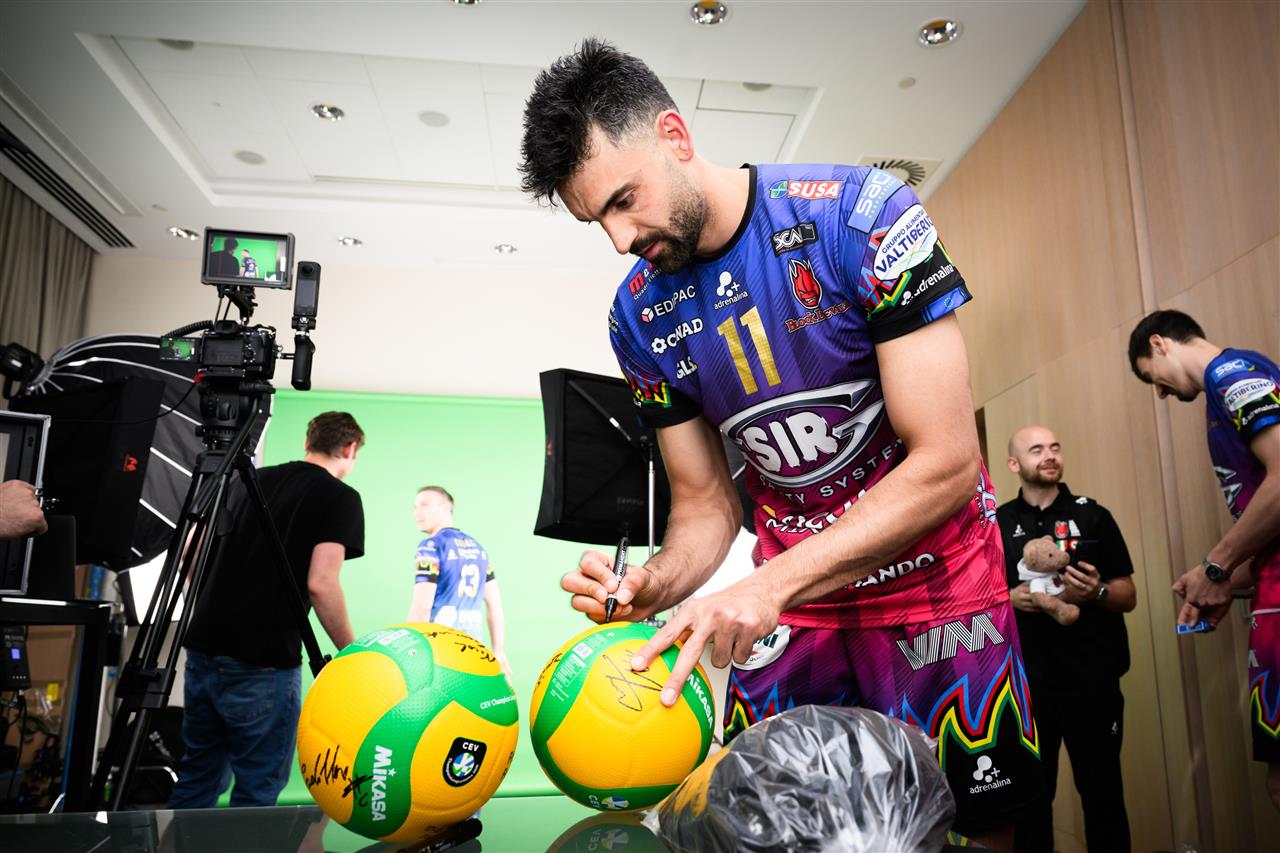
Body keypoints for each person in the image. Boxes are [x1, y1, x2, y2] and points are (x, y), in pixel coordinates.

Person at [519, 39, 1038, 848]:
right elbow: (705, 503)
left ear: (675, 136)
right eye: (598, 222)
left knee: (972, 835)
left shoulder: (862, 216)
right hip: (797, 617)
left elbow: (946, 463)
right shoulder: (638, 317)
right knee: (764, 834)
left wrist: (766, 586)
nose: (619, 239)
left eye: (624, 200)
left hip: (941, 598)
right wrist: (657, 579)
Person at [168, 411, 366, 809]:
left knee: (197, 778)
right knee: (256, 792)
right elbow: (321, 584)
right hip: (263, 661)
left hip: (204, 650)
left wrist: (211, 599)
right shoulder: (340, 497)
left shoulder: (247, 479)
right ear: (349, 449)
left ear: (308, 442)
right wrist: (352, 653)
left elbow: (189, 551)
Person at [1129, 309, 1280, 810]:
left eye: (1151, 377)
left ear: (1160, 343)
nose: (1159, 392)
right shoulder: (1223, 388)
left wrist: (1216, 565)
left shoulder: (1231, 374)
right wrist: (1217, 581)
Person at [998, 425, 1137, 852]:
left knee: (1103, 798)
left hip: (1092, 683)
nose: (1050, 455)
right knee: (1032, 807)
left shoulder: (1093, 516)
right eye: (1036, 449)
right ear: (1014, 464)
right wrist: (1009, 599)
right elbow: (978, 600)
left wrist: (1095, 593)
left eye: (1055, 447)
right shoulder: (997, 523)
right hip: (1024, 688)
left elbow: (1127, 595)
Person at [406, 486, 509, 677]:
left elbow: (422, 607)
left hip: (440, 653)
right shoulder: (478, 549)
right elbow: (495, 605)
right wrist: (498, 651)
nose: (416, 512)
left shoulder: (430, 547)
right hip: (473, 652)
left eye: (424, 505)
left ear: (446, 508)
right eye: (415, 507)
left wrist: (409, 650)